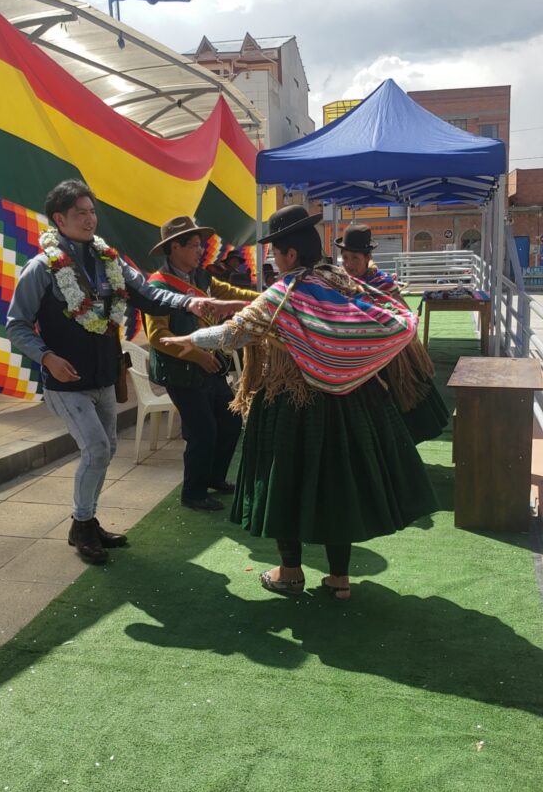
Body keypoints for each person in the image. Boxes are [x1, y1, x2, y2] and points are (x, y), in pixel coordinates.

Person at [160, 205, 438, 600]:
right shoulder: (339, 280)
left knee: (285, 486)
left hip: (291, 400)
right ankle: (339, 580)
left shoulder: (284, 294)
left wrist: (189, 339)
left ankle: (290, 573)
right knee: (339, 486)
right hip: (350, 400)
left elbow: (236, 334)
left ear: (290, 254)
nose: (274, 260)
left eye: (276, 252)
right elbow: (379, 311)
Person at [6, 180, 215, 565]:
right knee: (98, 449)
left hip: (104, 376)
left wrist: (189, 301)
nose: (90, 220)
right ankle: (83, 525)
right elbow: (16, 324)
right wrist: (47, 357)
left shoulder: (109, 260)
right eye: (80, 213)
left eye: (92, 212)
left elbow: (149, 294)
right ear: (59, 219)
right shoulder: (42, 267)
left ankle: (85, 521)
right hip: (66, 383)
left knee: (107, 450)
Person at [145, 216, 258, 512]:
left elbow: (233, 294)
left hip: (209, 366)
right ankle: (193, 493)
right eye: (194, 245)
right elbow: (157, 336)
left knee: (231, 421)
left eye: (200, 245)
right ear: (175, 248)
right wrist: (198, 354)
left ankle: (214, 478)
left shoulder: (202, 278)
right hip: (180, 371)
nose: (200, 251)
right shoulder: (156, 286)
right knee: (202, 432)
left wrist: (267, 298)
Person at [336, 224, 449, 444]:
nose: (348, 264)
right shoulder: (341, 285)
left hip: (391, 361)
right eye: (345, 258)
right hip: (359, 360)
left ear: (368, 258)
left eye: (355, 258)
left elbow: (404, 315)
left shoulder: (383, 285)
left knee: (399, 416)